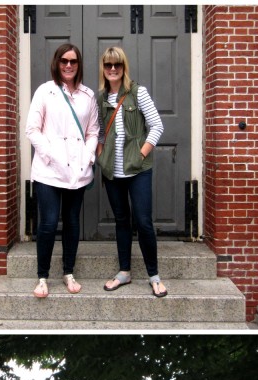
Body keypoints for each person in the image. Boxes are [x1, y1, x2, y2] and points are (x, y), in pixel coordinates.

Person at [26, 43, 99, 298]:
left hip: (77, 172)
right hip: (48, 171)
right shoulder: (45, 92)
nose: (68, 65)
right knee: (47, 223)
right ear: (57, 63)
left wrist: (88, 157)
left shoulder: (88, 96)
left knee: (71, 222)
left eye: (73, 61)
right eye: (64, 61)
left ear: (79, 65)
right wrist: (49, 155)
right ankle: (42, 277)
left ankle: (69, 272)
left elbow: (92, 132)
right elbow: (32, 129)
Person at [96, 47, 167, 297]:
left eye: (117, 65)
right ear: (103, 68)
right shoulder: (101, 98)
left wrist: (141, 153)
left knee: (144, 222)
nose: (112, 69)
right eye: (108, 65)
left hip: (138, 170)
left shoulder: (138, 93)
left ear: (124, 67)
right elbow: (98, 132)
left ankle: (154, 275)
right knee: (121, 221)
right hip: (112, 173)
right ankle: (124, 272)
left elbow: (157, 125)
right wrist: (99, 155)